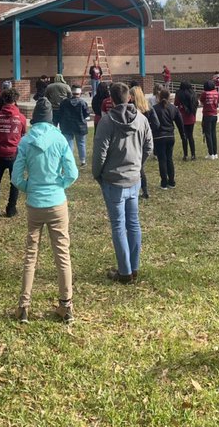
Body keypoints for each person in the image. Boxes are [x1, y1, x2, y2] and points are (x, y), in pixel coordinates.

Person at [11, 99, 78, 323]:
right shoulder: (59, 139)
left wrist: (31, 188)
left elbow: (16, 177)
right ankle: (66, 305)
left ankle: (24, 306)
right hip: (57, 202)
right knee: (62, 254)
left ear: (34, 119)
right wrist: (59, 184)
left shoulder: (25, 141)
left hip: (35, 204)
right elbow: (72, 173)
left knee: (31, 254)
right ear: (51, 119)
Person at [92, 82, 153, 284]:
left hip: (113, 181)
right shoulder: (142, 120)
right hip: (133, 180)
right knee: (133, 223)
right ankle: (132, 268)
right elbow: (148, 147)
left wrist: (97, 174)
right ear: (129, 98)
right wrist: (138, 166)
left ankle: (125, 272)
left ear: (111, 99)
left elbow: (99, 153)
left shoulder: (107, 122)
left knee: (119, 225)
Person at [0, 89, 27, 217]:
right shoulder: (21, 117)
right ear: (15, 100)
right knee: (14, 182)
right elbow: (23, 133)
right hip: (14, 154)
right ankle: (11, 209)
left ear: (3, 100)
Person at [152, 88, 180, 189]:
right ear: (169, 97)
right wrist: (183, 135)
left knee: (162, 160)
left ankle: (164, 182)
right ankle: (172, 181)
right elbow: (179, 122)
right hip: (170, 136)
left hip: (159, 136)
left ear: (159, 97)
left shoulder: (154, 108)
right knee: (169, 159)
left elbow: (151, 123)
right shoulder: (173, 108)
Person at [57, 85, 91, 166]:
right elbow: (86, 114)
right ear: (80, 93)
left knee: (69, 144)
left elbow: (60, 113)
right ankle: (82, 161)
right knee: (81, 143)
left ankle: (69, 161)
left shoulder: (64, 102)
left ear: (72, 92)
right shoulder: (83, 102)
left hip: (67, 126)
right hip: (80, 126)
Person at [176, 82, 199, 161]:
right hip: (191, 116)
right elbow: (197, 104)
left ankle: (185, 155)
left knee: (184, 137)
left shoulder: (179, 94)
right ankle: (193, 155)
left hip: (182, 118)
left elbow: (176, 103)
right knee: (190, 136)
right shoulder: (193, 94)